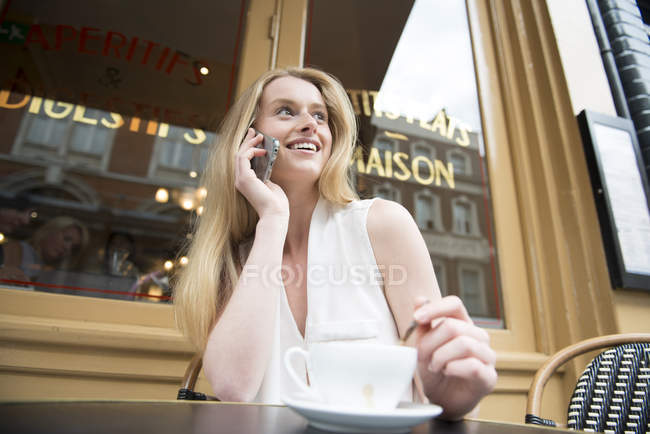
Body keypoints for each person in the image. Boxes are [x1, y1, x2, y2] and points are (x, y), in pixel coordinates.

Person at [174, 67, 496, 420]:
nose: (309, 124)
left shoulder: (382, 224)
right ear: (250, 140)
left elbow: (439, 376)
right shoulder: (234, 259)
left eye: (320, 115)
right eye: (285, 110)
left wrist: (451, 393)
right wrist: (273, 219)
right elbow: (234, 388)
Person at [0, 216, 89, 281]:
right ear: (49, 231)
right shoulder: (16, 249)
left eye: (74, 248)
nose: (68, 248)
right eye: (66, 239)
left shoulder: (52, 271)